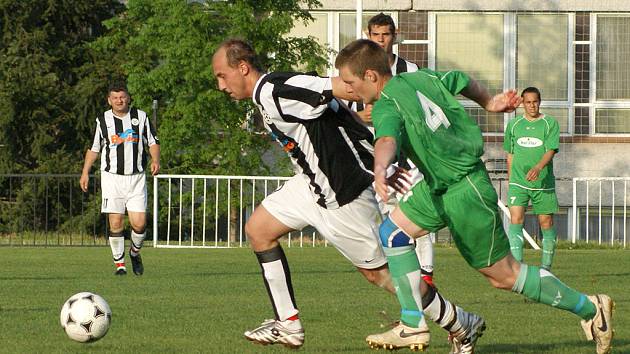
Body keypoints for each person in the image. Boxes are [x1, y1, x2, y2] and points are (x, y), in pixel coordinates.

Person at [335, 39, 614, 354]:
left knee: (504, 275)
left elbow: (386, 138)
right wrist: (489, 102)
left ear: (371, 76)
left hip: (465, 191)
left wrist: (380, 166)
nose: (349, 90)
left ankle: (591, 308)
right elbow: (460, 79)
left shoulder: (387, 103)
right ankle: (413, 322)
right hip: (438, 186)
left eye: (350, 82)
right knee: (392, 232)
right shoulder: (420, 78)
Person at [211, 39, 433, 350]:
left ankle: (457, 320)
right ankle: (288, 325)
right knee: (258, 230)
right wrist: (375, 155)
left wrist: (386, 115)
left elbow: (340, 88)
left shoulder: (274, 89)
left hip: (339, 194)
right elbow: (340, 118)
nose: (220, 85)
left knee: (380, 275)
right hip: (309, 186)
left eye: (221, 75)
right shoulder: (267, 95)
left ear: (242, 68)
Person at [364, 12, 435, 288]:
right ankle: (410, 287)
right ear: (368, 35)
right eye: (376, 34)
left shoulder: (411, 70)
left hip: (409, 158)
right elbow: (350, 114)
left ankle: (427, 280)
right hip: (377, 158)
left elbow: (420, 110)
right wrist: (363, 116)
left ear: (395, 36)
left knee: (417, 218)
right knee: (387, 224)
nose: (381, 40)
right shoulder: (362, 71)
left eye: (386, 34)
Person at [80, 83, 160, 276]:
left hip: (136, 177)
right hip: (112, 178)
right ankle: (120, 266)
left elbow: (153, 142)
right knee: (115, 222)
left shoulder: (140, 117)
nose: (119, 101)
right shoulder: (103, 120)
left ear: (128, 98)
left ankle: (134, 253)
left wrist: (155, 160)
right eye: (115, 98)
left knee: (139, 223)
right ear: (109, 100)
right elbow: (94, 148)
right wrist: (85, 172)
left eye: (122, 97)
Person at [504, 87, 559, 270]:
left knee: (546, 222)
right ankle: (518, 268)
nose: (532, 106)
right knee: (516, 219)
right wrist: (511, 180)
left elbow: (550, 150)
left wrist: (538, 167)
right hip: (518, 183)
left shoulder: (550, 123)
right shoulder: (513, 125)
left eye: (535, 101)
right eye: (528, 102)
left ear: (539, 102)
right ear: (522, 103)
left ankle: (546, 268)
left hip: (543, 183)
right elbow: (510, 154)